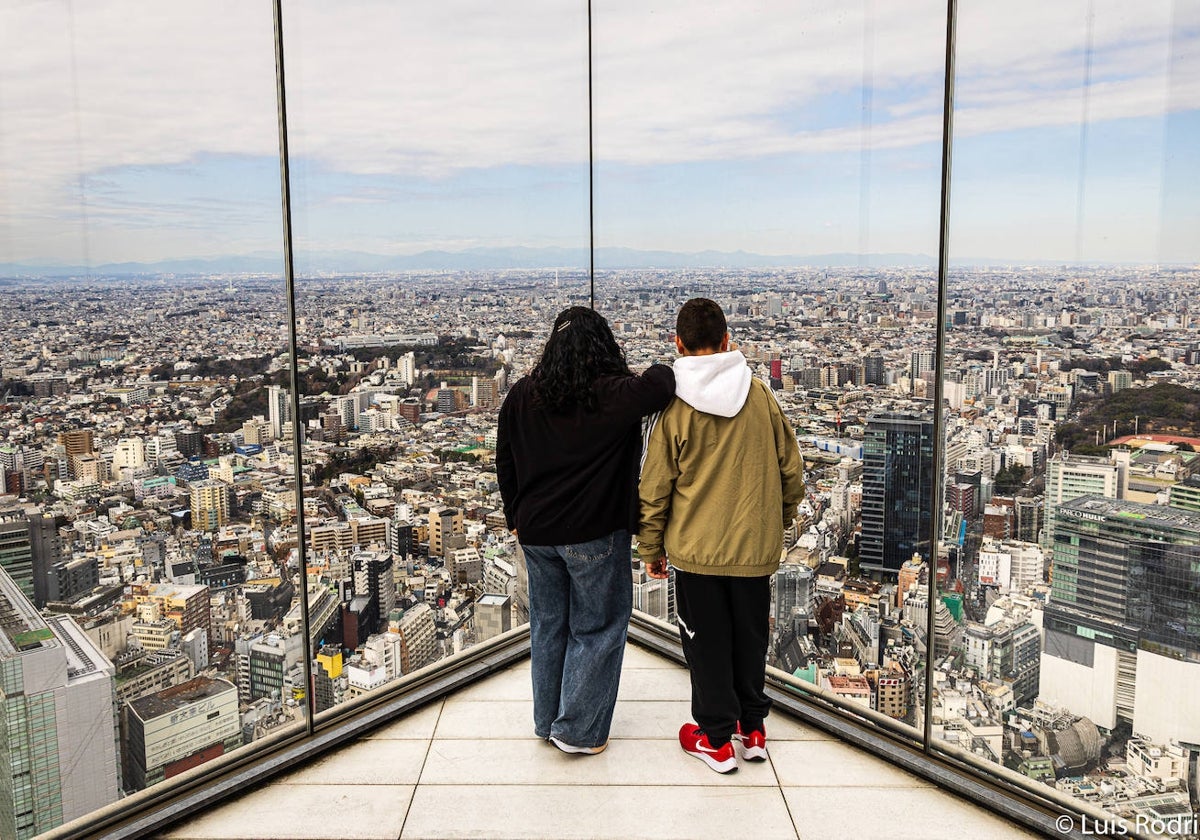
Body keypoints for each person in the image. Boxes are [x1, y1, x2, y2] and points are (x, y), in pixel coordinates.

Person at [497, 305, 675, 755]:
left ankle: (547, 719)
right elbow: (662, 380)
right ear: (604, 348)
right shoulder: (612, 393)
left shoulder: (521, 393)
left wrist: (514, 515)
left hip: (537, 534)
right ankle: (577, 731)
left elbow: (505, 461)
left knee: (548, 625)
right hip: (593, 533)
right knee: (596, 628)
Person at [638, 297, 805, 773]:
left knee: (705, 642)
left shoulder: (674, 407)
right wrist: (778, 519)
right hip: (754, 547)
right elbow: (791, 471)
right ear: (728, 341)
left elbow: (654, 488)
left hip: (697, 552)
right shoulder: (760, 396)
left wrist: (650, 547)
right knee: (749, 638)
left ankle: (714, 737)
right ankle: (751, 729)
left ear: (678, 344)